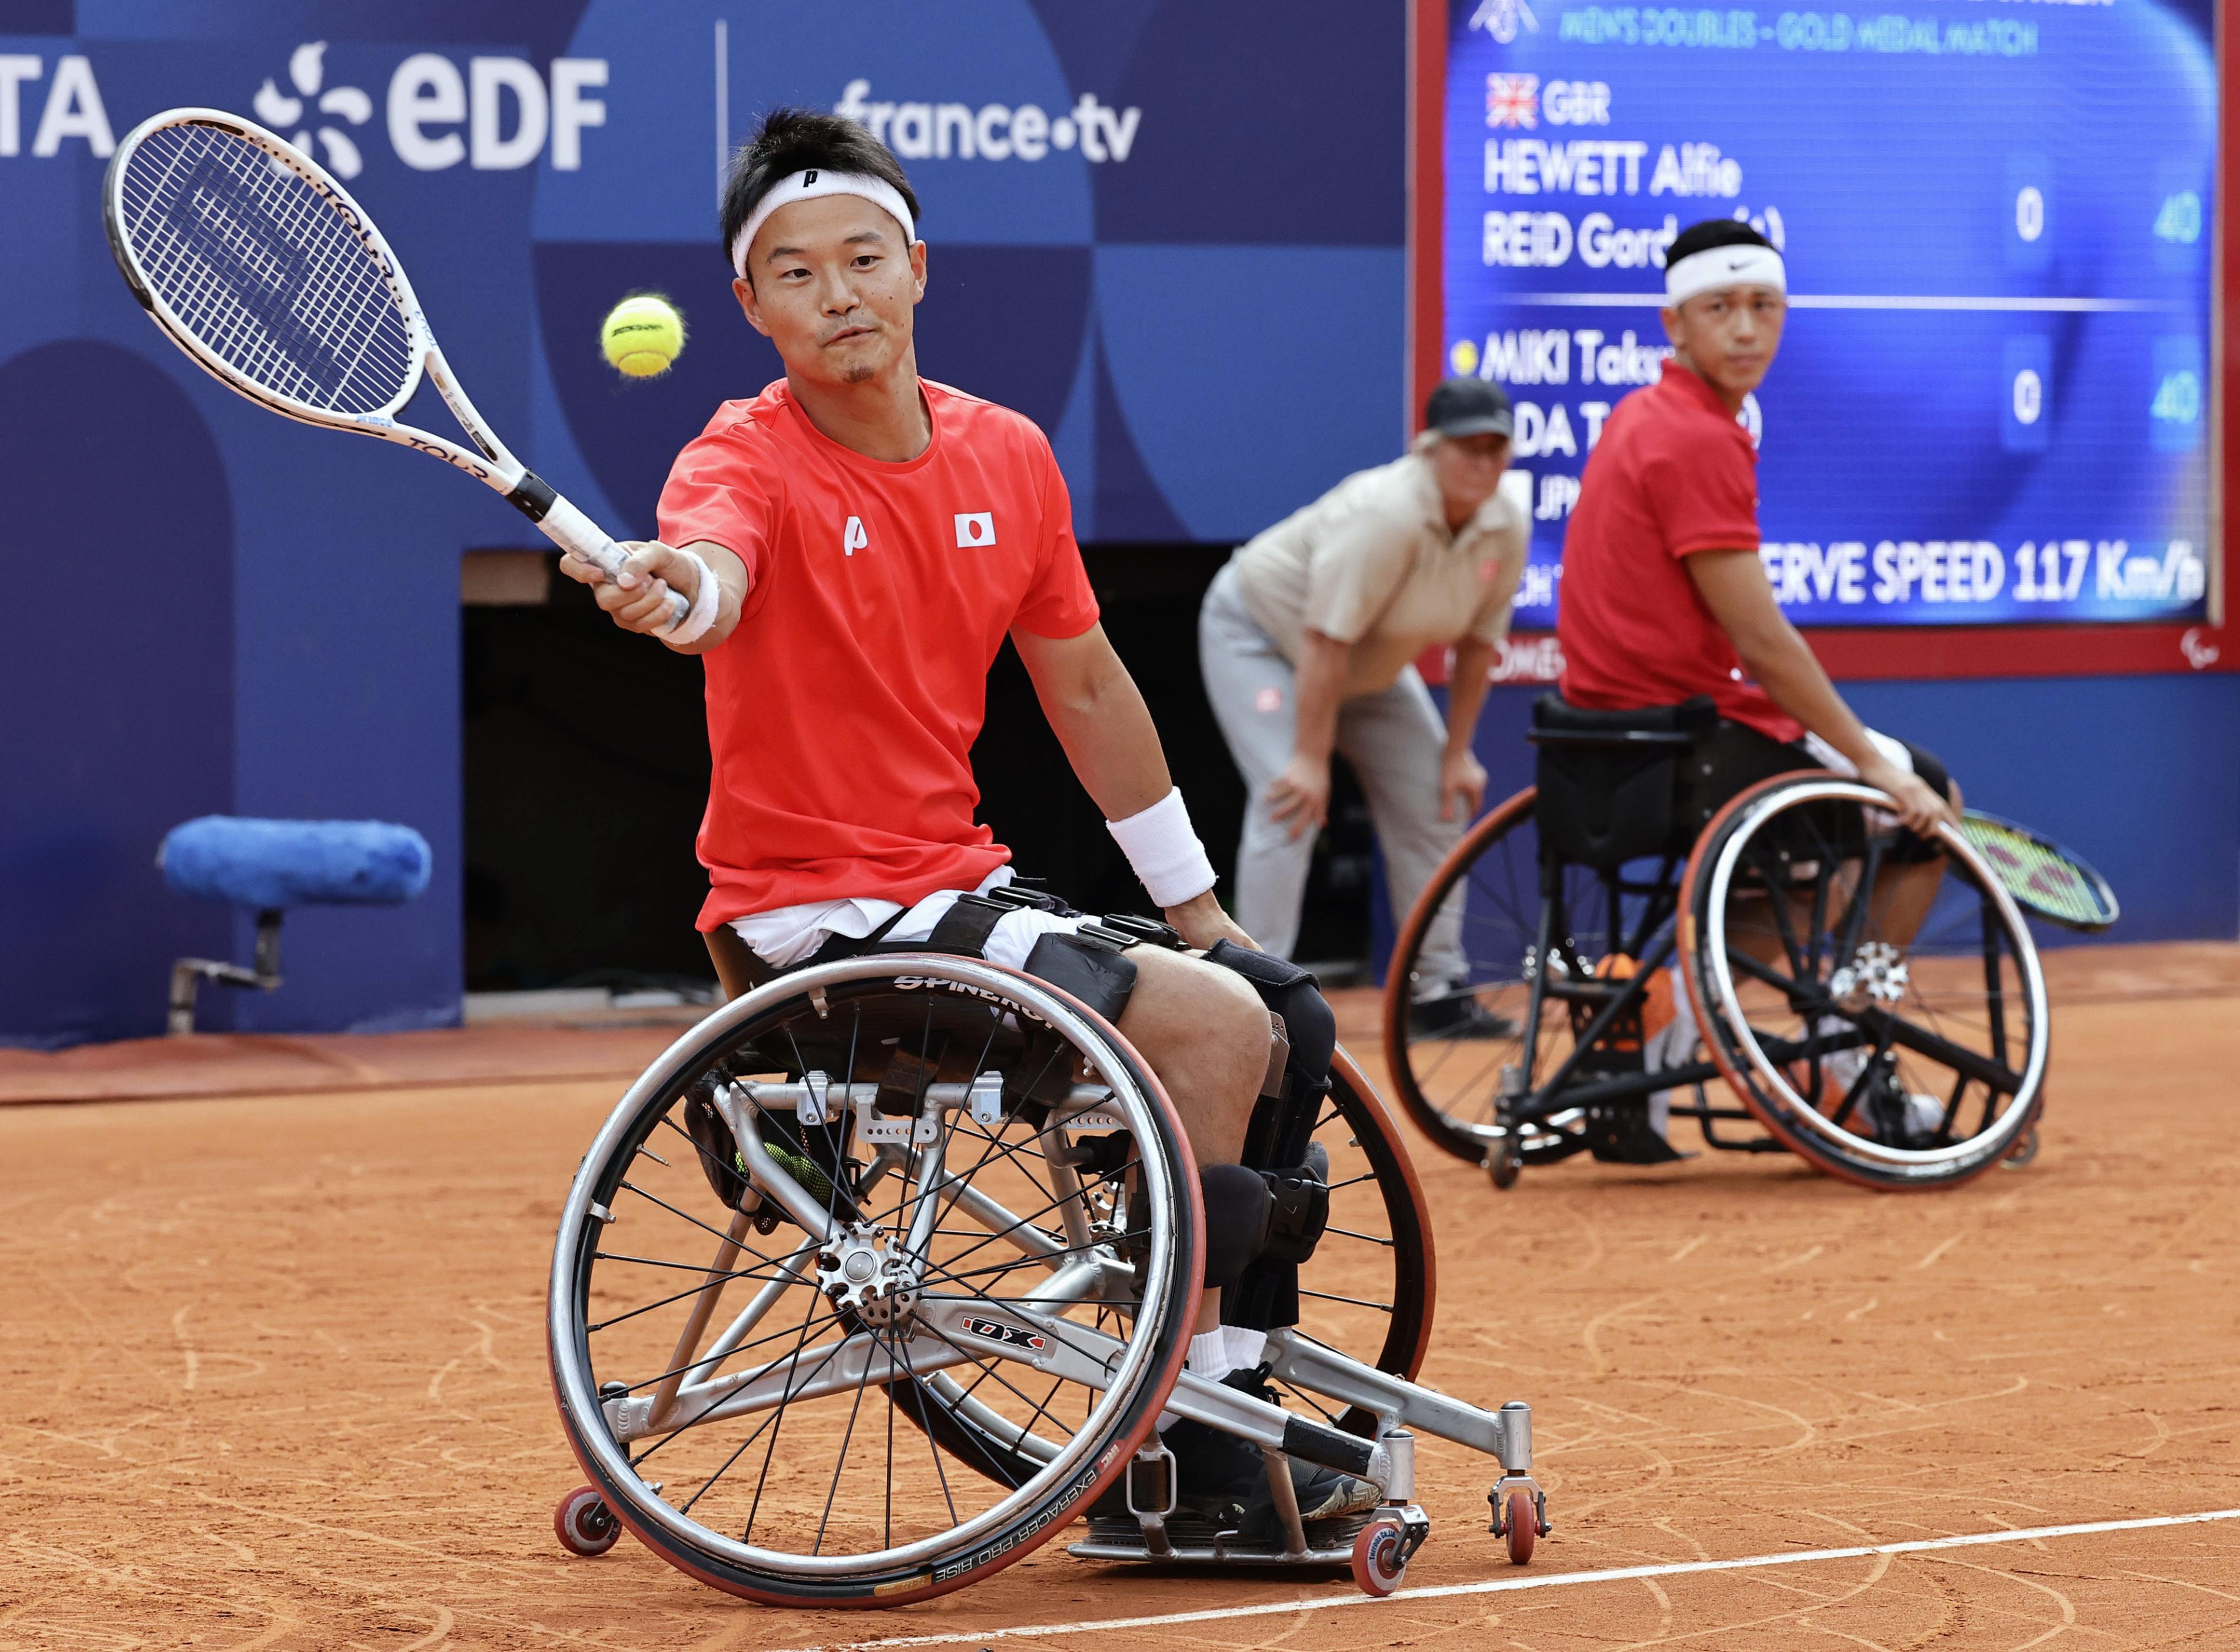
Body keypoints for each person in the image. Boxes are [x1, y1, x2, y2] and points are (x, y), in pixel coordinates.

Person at [555, 107, 1373, 1537]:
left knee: (1279, 1010)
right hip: (813, 908)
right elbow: (712, 571)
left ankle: (1205, 1386)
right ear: (749, 307)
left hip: (951, 883)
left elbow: (1086, 680)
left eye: (862, 257)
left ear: (918, 267)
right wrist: (676, 589)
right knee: (1211, 1032)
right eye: (794, 274)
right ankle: (1167, 1445)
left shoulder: (1007, 457)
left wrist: (1199, 910)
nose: (838, 294)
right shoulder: (738, 458)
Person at [1556, 217, 1960, 1142]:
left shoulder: (1646, 414)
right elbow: (1763, 641)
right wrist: (1875, 763)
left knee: (1814, 851)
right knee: (1922, 800)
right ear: (1675, 323)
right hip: (1683, 736)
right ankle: (1849, 1037)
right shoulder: (1698, 437)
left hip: (1613, 732)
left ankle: (1674, 1017)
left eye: (1765, 307)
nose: (1746, 328)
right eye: (1721, 308)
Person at [1200, 379, 1529, 1032]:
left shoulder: (1505, 524)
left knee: (1437, 796)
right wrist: (1311, 758)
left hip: (1365, 666)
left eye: (1496, 449)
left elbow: (1477, 648)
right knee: (1287, 797)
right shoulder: (1387, 513)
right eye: (1468, 447)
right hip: (1262, 636)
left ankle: (1435, 994)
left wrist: (1458, 754)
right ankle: (1256, 1002)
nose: (1483, 463)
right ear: (1429, 449)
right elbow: (1324, 638)